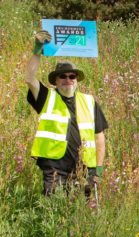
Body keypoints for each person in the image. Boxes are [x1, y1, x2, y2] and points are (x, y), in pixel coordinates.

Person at [25, 30, 108, 197]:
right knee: (53, 211)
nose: (68, 80)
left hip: (85, 168)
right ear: (55, 81)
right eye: (63, 76)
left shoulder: (89, 101)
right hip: (55, 168)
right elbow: (29, 78)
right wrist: (37, 50)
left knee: (82, 213)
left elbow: (99, 137)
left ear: (76, 80)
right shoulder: (46, 97)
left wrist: (98, 168)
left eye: (72, 76)